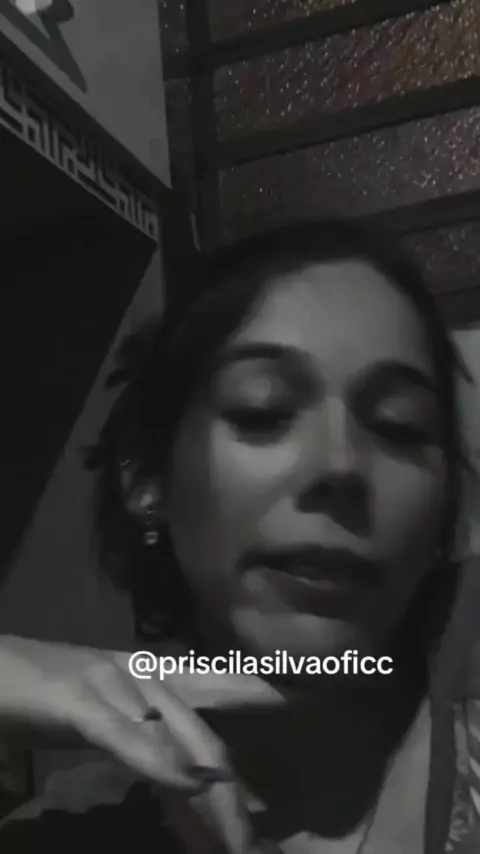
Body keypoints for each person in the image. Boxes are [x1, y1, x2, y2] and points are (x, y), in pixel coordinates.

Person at [0, 218, 479, 853]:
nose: (341, 465)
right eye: (263, 411)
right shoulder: (75, 835)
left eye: (400, 426)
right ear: (149, 481)